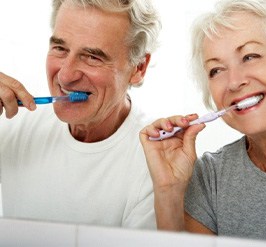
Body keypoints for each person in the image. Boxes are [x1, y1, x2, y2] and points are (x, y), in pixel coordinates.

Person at [140, 0, 266, 241]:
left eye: (250, 56)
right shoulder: (208, 177)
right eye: (216, 70)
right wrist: (169, 191)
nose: (234, 82)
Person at [0, 0, 161, 229]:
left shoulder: (156, 159)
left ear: (138, 68)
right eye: (60, 49)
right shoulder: (13, 121)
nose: (65, 76)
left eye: (93, 57)